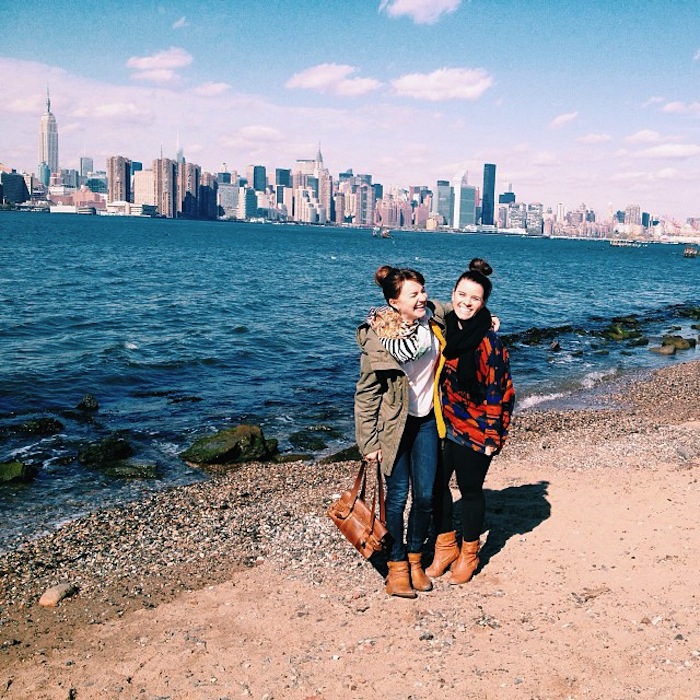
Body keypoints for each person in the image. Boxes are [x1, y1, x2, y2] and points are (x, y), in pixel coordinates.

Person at [354, 265, 492, 598]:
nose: (423, 298)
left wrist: (488, 319)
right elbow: (366, 392)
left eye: (422, 291)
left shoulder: (432, 321)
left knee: (427, 496)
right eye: (413, 294)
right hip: (395, 426)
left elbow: (463, 309)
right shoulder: (378, 339)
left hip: (430, 420)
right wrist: (368, 441)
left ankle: (416, 559)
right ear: (393, 302)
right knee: (398, 497)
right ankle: (397, 566)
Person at [426, 258, 515, 585]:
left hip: (477, 429)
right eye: (461, 295)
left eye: (474, 298)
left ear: (483, 304)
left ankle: (469, 553)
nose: (466, 302)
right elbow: (419, 307)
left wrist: (492, 436)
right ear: (453, 295)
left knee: (470, 490)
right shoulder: (446, 328)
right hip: (443, 422)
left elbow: (499, 391)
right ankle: (445, 545)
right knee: (435, 487)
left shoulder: (490, 342)